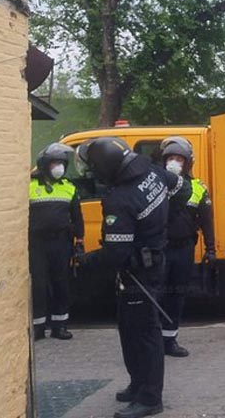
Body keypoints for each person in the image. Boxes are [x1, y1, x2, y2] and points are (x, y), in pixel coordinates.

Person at [75, 137, 189, 418]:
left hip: (139, 272)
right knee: (129, 328)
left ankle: (150, 398)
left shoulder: (120, 199)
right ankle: (138, 384)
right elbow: (182, 190)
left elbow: (116, 253)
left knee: (145, 334)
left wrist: (83, 262)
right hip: (148, 262)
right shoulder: (152, 172)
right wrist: (160, 226)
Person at [157, 136, 216, 357]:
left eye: (179, 159)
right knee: (157, 294)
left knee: (177, 295)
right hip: (160, 248)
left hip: (184, 249)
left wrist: (210, 249)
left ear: (187, 163)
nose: (174, 162)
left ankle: (170, 340)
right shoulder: (155, 186)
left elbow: (207, 220)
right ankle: (153, 341)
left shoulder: (198, 187)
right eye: (170, 158)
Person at [29, 143, 84, 341]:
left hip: (61, 243)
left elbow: (77, 217)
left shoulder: (69, 187)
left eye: (61, 163)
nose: (58, 167)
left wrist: (80, 240)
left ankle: (60, 325)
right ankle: (38, 327)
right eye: (54, 163)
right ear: (44, 165)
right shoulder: (30, 186)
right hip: (37, 244)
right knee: (39, 285)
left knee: (61, 283)